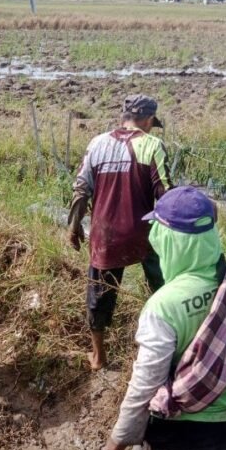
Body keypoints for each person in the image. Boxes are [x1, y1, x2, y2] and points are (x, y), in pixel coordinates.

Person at [96, 187, 226, 450]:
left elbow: (146, 383)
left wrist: (115, 445)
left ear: (171, 240)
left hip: (178, 438)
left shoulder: (164, 305)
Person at [67, 94, 172, 370]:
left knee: (99, 294)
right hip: (144, 235)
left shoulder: (97, 144)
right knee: (161, 291)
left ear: (123, 117)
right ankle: (160, 350)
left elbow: (80, 190)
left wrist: (74, 226)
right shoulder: (153, 146)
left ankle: (99, 356)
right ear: (149, 120)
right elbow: (166, 195)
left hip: (106, 234)